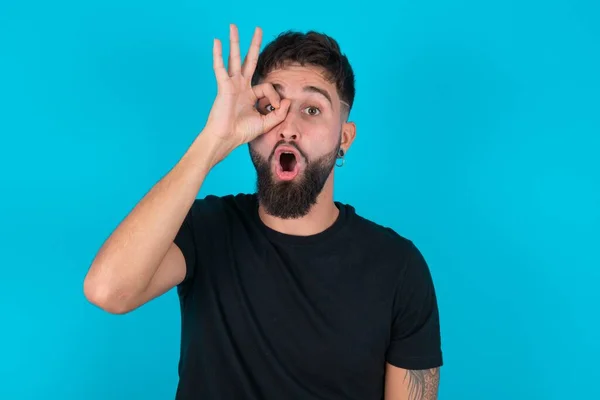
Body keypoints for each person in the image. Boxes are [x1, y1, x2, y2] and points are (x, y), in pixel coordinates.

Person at [84, 24, 443, 400]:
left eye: (312, 109)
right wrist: (213, 142)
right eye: (271, 107)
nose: (287, 127)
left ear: (344, 139)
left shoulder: (398, 267)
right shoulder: (207, 229)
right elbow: (108, 290)